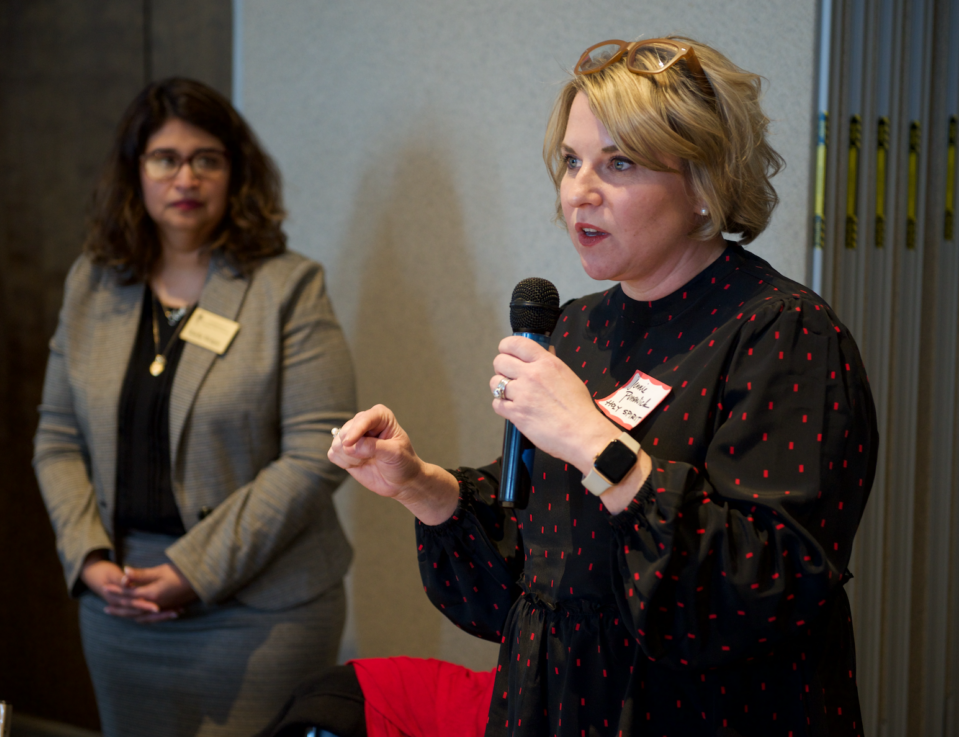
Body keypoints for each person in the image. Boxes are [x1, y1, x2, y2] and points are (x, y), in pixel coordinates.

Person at [328, 37, 877, 736]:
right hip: (560, 702)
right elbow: (531, 575)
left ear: (704, 183)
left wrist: (596, 444)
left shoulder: (784, 332)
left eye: (619, 163)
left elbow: (761, 587)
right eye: (571, 161)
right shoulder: (577, 326)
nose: (578, 192)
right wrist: (420, 484)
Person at [34, 78, 355, 737]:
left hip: (262, 610)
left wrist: (194, 568)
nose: (186, 177)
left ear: (235, 172)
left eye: (207, 158)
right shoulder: (92, 282)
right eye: (165, 158)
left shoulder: (287, 286)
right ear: (135, 171)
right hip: (121, 598)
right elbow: (57, 436)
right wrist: (87, 555)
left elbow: (317, 451)